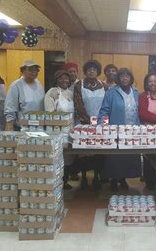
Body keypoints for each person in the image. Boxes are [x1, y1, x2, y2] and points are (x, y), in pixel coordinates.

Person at [98, 68, 141, 191]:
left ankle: (123, 179)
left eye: (127, 76)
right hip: (116, 129)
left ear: (131, 78)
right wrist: (103, 125)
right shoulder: (111, 93)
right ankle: (114, 179)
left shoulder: (136, 92)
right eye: (122, 76)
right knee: (115, 157)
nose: (125, 78)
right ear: (118, 78)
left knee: (128, 157)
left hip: (133, 130)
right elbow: (104, 111)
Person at [73, 60, 106, 189]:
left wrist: (100, 122)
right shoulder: (78, 85)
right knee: (84, 152)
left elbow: (106, 105)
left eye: (94, 69)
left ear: (98, 71)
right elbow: (78, 104)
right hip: (83, 123)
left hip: (100, 124)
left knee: (99, 150)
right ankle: (84, 177)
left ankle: (97, 175)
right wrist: (87, 122)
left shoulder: (104, 85)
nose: (92, 71)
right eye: (89, 69)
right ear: (85, 71)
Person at [44, 70, 75, 190]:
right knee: (57, 156)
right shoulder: (52, 93)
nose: (64, 81)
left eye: (66, 78)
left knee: (68, 158)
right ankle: (56, 182)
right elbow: (49, 113)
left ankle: (65, 180)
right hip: (56, 130)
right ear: (56, 80)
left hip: (70, 130)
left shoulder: (70, 93)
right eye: (61, 78)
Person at [4, 60, 44, 131]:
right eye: (31, 70)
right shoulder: (16, 85)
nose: (34, 72)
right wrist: (10, 129)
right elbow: (10, 109)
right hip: (22, 128)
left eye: (36, 70)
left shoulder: (39, 84)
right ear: (22, 71)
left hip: (39, 127)